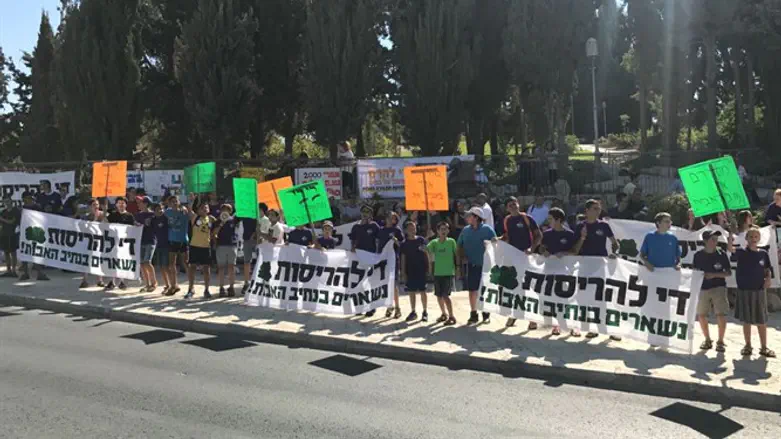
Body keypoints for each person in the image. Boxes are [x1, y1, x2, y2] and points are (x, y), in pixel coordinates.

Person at [573, 199, 620, 339]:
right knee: (586, 297)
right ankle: (591, 328)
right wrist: (582, 238)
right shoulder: (580, 226)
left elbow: (615, 243)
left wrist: (614, 253)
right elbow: (575, 249)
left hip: (600, 266)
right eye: (595, 208)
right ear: (586, 211)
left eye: (599, 208)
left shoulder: (604, 226)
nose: (598, 211)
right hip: (584, 266)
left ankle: (607, 329)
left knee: (601, 298)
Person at [728, 226, 775, 358]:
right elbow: (730, 249)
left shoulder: (763, 254)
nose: (753, 239)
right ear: (746, 239)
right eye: (751, 237)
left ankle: (764, 347)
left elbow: (767, 269)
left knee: (761, 320)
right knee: (746, 320)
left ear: (759, 238)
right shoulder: (741, 252)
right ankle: (748, 345)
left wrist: (768, 278)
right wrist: (730, 238)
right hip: (744, 290)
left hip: (759, 290)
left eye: (756, 237)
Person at [502, 196, 542, 328]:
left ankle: (533, 319)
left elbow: (539, 235)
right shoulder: (507, 220)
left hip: (528, 258)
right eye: (510, 205)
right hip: (514, 259)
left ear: (518, 204)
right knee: (516, 287)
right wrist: (497, 239)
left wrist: (532, 248)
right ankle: (515, 315)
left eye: (514, 204)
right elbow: (507, 236)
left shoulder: (527, 218)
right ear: (507, 208)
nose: (513, 207)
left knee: (529, 287)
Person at [541, 207, 579, 336]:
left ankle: (573, 325)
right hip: (550, 270)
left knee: (568, 298)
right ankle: (557, 325)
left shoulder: (569, 234)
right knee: (553, 298)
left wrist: (564, 253)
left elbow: (575, 252)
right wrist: (543, 251)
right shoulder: (546, 234)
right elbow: (542, 248)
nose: (548, 221)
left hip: (565, 272)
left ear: (558, 220)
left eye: (551, 219)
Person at [693, 230, 732, 352]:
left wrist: (714, 275)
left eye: (716, 239)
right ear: (705, 241)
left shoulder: (722, 254)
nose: (715, 242)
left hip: (718, 287)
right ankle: (707, 339)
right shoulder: (698, 255)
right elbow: (695, 272)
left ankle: (720, 341)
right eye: (712, 239)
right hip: (702, 288)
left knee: (721, 314)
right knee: (701, 315)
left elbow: (728, 273)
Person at [457, 206, 496, 325]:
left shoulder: (488, 229)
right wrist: (460, 261)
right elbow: (459, 246)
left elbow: (496, 244)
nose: (466, 217)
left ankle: (486, 313)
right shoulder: (465, 230)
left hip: (485, 266)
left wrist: (493, 242)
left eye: (469, 215)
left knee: (484, 290)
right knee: (472, 290)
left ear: (476, 217)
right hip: (471, 265)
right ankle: (473, 314)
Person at [349, 204, 381, 316]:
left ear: (371, 214)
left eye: (367, 213)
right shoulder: (356, 227)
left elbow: (380, 240)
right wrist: (352, 248)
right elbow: (352, 240)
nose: (365, 214)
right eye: (363, 212)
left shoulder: (374, 226)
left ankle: (371, 307)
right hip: (358, 258)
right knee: (359, 283)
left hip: (370, 258)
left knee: (370, 283)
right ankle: (360, 306)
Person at [428, 221, 458, 326]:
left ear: (448, 230)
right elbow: (426, 249)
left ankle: (451, 316)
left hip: (448, 272)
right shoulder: (434, 243)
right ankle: (443, 313)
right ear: (437, 231)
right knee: (439, 295)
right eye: (442, 229)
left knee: (446, 295)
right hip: (437, 273)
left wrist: (457, 268)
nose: (444, 231)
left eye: (446, 229)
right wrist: (427, 237)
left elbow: (456, 254)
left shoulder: (451, 242)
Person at [185, 201, 215, 300]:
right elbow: (189, 209)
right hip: (194, 246)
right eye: (202, 208)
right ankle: (191, 288)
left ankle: (206, 289)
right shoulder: (195, 217)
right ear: (198, 210)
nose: (204, 209)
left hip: (206, 247)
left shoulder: (211, 219)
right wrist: (192, 200)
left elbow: (218, 226)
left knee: (206, 269)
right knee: (192, 267)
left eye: (206, 207)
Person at [400, 220, 429, 322]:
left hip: (421, 269)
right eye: (410, 229)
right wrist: (403, 272)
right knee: (411, 291)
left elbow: (427, 254)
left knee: (423, 291)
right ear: (406, 231)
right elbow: (403, 258)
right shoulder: (404, 243)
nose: (413, 230)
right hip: (410, 270)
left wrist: (429, 267)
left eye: (414, 228)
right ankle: (413, 311)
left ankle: (425, 311)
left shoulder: (421, 240)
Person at [105, 197, 135, 290]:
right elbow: (105, 224)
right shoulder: (112, 215)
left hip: (125, 243)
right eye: (119, 203)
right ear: (116, 204)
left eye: (123, 203)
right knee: (113, 261)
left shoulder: (130, 216)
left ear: (126, 204)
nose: (121, 205)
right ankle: (112, 281)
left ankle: (122, 281)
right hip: (114, 242)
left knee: (123, 262)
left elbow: (133, 228)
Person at [18, 191, 49, 281]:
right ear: (24, 199)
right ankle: (25, 273)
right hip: (25, 233)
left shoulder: (37, 207)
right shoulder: (22, 209)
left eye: (30, 198)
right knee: (25, 253)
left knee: (37, 253)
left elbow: (43, 218)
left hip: (36, 232)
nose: (29, 200)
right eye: (27, 198)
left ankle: (40, 273)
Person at [378, 212, 404, 319]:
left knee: (393, 284)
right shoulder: (381, 230)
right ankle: (389, 306)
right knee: (385, 284)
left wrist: (396, 241)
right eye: (389, 217)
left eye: (393, 218)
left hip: (393, 260)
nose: (391, 219)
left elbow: (402, 244)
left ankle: (397, 307)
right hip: (383, 260)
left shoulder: (397, 230)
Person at [78, 198, 105, 288]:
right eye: (94, 205)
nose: (96, 207)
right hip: (87, 241)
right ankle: (84, 280)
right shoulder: (85, 217)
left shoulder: (103, 214)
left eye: (97, 204)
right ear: (89, 207)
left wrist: (103, 215)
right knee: (86, 260)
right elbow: (83, 228)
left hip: (99, 240)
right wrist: (95, 219)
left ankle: (100, 280)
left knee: (98, 260)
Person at [165, 195, 189, 296]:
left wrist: (188, 206)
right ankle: (174, 285)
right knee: (171, 264)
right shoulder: (167, 212)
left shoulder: (184, 211)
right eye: (172, 202)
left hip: (183, 240)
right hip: (172, 240)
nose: (175, 203)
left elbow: (191, 212)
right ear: (169, 204)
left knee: (186, 263)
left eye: (176, 201)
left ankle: (191, 286)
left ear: (179, 202)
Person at [214, 204, 238, 297]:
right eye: (223, 209)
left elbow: (240, 214)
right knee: (221, 268)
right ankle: (221, 287)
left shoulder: (233, 220)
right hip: (221, 246)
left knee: (231, 267)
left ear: (230, 211)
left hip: (232, 245)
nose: (225, 211)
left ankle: (231, 287)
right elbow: (214, 233)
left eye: (228, 210)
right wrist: (221, 223)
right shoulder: (217, 220)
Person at [135, 197, 158, 292]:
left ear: (145, 203)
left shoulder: (153, 214)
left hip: (150, 240)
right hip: (141, 241)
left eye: (140, 202)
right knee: (142, 263)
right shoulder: (137, 215)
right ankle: (147, 284)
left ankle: (154, 282)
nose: (138, 204)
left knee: (147, 262)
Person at [150, 203, 172, 294]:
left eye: (161, 209)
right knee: (161, 267)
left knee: (167, 266)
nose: (160, 211)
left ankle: (172, 284)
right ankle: (167, 285)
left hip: (167, 245)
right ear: (154, 211)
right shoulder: (152, 220)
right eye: (158, 209)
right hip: (158, 245)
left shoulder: (166, 218)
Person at [0, 195, 20, 278]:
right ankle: (8, 270)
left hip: (12, 234)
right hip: (4, 234)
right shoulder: (3, 211)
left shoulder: (15, 210)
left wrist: (1, 219)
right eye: (5, 201)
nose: (6, 203)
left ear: (11, 201)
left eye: (8, 201)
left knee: (13, 253)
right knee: (6, 253)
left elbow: (12, 221)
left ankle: (14, 270)